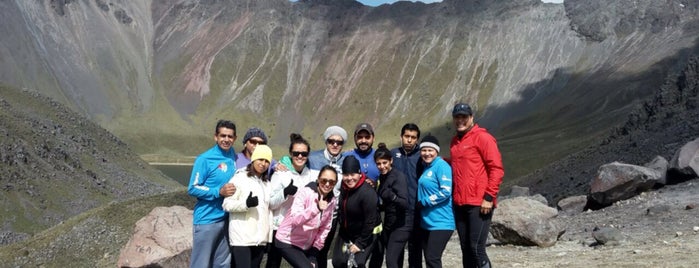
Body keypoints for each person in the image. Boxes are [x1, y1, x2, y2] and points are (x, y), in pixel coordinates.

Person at [449, 103, 504, 268]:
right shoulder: (455, 142)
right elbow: (459, 167)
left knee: (476, 248)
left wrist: (489, 197)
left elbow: (496, 169)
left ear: (471, 118)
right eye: (457, 117)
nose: (460, 121)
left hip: (479, 204)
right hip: (460, 202)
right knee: (465, 248)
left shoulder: (483, 138)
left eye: (464, 117)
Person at [187, 120, 238, 268]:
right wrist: (218, 192)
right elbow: (193, 188)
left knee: (222, 264)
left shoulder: (233, 156)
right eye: (223, 136)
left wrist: (278, 164)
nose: (226, 140)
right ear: (216, 137)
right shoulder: (205, 159)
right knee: (201, 264)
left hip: (226, 220)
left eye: (230, 136)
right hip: (206, 220)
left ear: (234, 138)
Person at [274, 165, 339, 268]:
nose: (327, 184)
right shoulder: (305, 192)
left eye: (331, 182)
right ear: (318, 179)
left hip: (306, 244)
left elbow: (325, 228)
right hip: (287, 240)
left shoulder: (332, 201)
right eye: (324, 180)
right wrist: (316, 208)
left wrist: (314, 252)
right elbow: (295, 219)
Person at [267, 134, 316, 268]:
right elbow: (270, 203)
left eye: (304, 154)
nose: (300, 156)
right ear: (290, 153)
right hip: (280, 227)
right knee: (273, 263)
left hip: (301, 229)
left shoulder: (311, 175)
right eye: (296, 153)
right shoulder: (280, 174)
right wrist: (284, 193)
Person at [222, 145, 275, 268]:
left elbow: (269, 212)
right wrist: (246, 204)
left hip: (260, 240)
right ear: (253, 159)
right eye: (260, 159)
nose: (263, 163)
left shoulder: (266, 183)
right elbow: (226, 204)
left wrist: (268, 238)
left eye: (267, 161)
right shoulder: (240, 177)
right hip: (242, 239)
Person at [307, 125, 348, 268]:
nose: (335, 144)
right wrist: (282, 163)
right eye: (331, 141)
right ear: (326, 141)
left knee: (322, 251)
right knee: (307, 252)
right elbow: (295, 162)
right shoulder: (312, 158)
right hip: (311, 213)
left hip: (332, 216)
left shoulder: (346, 161)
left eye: (339, 142)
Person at [332, 156, 380, 268]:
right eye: (346, 175)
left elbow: (370, 221)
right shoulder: (344, 187)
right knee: (338, 262)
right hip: (346, 232)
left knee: (357, 264)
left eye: (353, 174)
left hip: (365, 234)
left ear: (359, 174)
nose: (349, 178)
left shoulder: (367, 193)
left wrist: (360, 244)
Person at [369, 143, 410, 268]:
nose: (382, 166)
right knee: (396, 259)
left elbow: (404, 203)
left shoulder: (399, 177)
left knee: (391, 260)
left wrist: (391, 196)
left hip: (402, 224)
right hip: (389, 223)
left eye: (384, 163)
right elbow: (387, 203)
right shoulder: (383, 177)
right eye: (378, 163)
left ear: (391, 161)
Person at [417, 134, 454, 268]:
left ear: (436, 151)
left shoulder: (441, 166)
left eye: (430, 150)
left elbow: (445, 191)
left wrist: (424, 201)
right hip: (427, 222)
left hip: (442, 222)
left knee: (433, 258)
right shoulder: (427, 167)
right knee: (429, 260)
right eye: (424, 150)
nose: (427, 153)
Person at [390, 123, 423, 268]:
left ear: (417, 139)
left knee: (415, 250)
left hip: (417, 209)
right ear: (401, 137)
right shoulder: (393, 155)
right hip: (397, 210)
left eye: (413, 137)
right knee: (397, 251)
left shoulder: (422, 155)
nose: (409, 140)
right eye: (407, 136)